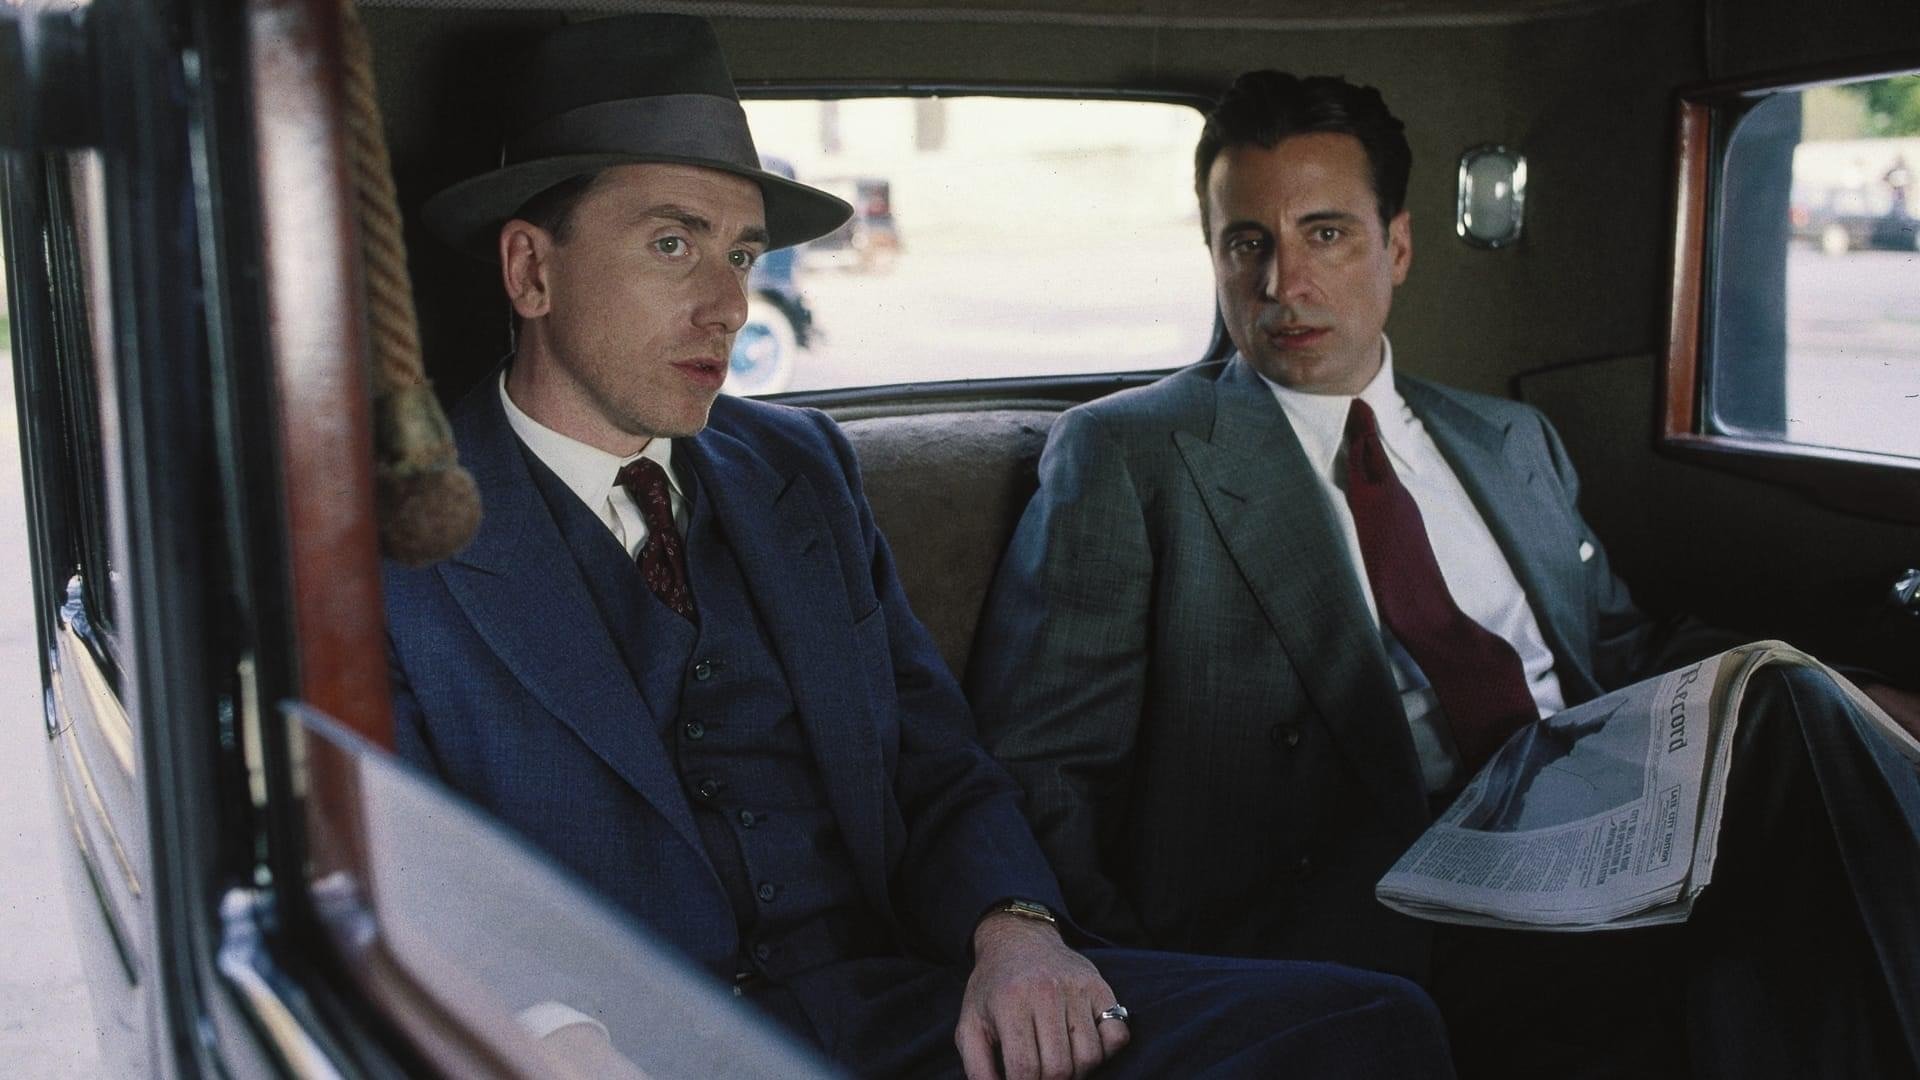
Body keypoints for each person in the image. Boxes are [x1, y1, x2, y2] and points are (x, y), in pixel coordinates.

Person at [383, 20, 1455, 1080]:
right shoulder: (395, 535)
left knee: (1367, 1024)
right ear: (531, 270)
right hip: (630, 1043)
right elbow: (396, 872)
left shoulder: (799, 470)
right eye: (673, 244)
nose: (729, 305)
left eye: (742, 253)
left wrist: (1016, 930)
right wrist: (547, 1033)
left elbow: (936, 763)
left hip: (901, 1007)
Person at [969, 70, 1920, 1079]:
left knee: (1807, 740)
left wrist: (1854, 698)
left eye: (1326, 234)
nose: (1283, 283)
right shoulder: (1133, 454)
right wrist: (1111, 970)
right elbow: (1044, 762)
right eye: (1247, 242)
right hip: (1372, 897)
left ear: (1399, 247)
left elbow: (1621, 652)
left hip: (1598, 838)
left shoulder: (1509, 438)